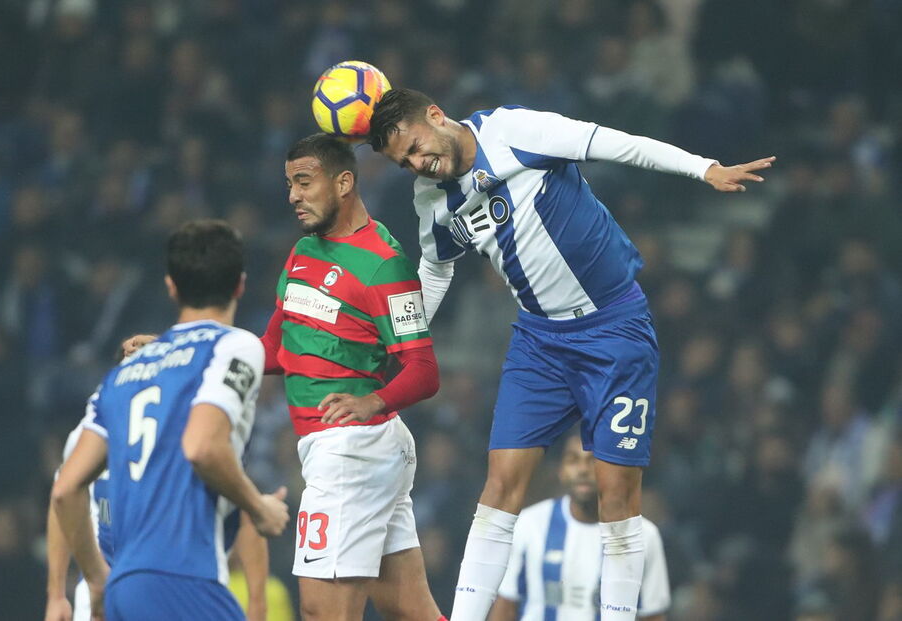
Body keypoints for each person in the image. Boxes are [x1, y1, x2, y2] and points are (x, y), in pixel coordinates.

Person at [368, 88, 775, 620]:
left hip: (614, 331)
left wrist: (704, 169)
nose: (420, 163)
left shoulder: (516, 133)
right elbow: (437, 265)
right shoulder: (432, 197)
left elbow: (612, 143)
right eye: (406, 163)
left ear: (437, 117)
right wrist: (405, 340)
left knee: (617, 495)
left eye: (418, 147)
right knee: (500, 484)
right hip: (540, 342)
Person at [122, 135, 446, 621]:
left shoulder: (384, 263)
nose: (292, 195)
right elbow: (271, 350)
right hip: (354, 452)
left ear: (343, 182)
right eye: (289, 184)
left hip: (350, 449)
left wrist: (371, 402)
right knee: (409, 610)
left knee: (320, 612)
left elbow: (424, 370)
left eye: (303, 182)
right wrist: (175, 347)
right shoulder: (302, 254)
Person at [51, 219, 290, 621]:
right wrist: (260, 507)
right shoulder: (236, 345)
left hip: (123, 586)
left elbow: (65, 489)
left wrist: (95, 579)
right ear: (240, 286)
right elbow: (202, 447)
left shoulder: (126, 371)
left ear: (172, 287)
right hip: (184, 579)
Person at [45, 415, 274, 621]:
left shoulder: (194, 427)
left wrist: (257, 604)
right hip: (110, 591)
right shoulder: (99, 422)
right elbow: (63, 494)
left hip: (186, 588)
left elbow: (243, 509)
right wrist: (57, 595)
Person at [488, 433, 670, 620]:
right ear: (561, 470)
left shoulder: (643, 535)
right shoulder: (529, 524)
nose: (583, 470)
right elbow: (505, 607)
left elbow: (652, 615)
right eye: (573, 460)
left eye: (593, 461)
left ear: (613, 470)